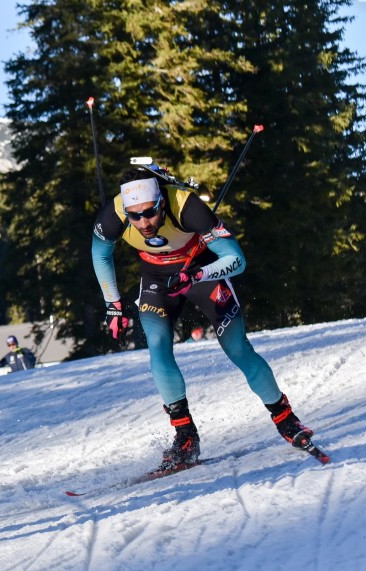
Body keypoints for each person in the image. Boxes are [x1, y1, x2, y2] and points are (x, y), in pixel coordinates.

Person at [91, 164, 324, 472]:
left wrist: (198, 273)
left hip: (201, 270)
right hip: (156, 278)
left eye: (150, 213)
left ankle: (285, 419)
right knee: (158, 347)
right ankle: (185, 435)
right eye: (135, 216)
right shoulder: (116, 213)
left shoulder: (187, 207)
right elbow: (100, 253)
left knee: (237, 347)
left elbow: (236, 259)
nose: (144, 223)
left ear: (161, 201)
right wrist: (113, 304)